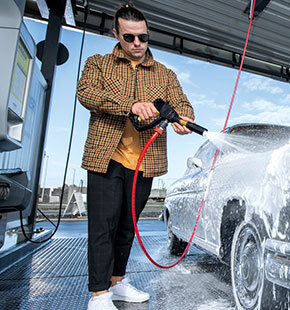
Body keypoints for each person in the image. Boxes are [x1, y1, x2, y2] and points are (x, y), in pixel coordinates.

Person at [76, 4, 194, 310]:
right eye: (129, 37)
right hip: (106, 156)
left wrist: (183, 120)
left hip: (145, 161)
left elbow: (182, 104)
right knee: (103, 225)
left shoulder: (165, 74)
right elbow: (86, 93)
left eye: (142, 36)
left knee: (128, 226)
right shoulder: (98, 64)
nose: (137, 44)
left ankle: (117, 283)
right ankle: (99, 295)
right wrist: (131, 104)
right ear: (116, 34)